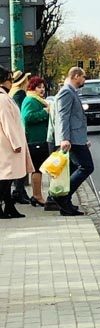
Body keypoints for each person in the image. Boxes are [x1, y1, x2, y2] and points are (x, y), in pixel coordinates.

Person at [53, 66, 92, 216]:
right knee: (86, 166)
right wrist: (64, 138)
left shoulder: (71, 91)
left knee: (80, 167)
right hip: (71, 139)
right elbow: (63, 116)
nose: (84, 80)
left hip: (76, 138)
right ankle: (62, 197)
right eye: (83, 77)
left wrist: (83, 139)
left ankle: (65, 201)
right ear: (76, 76)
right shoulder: (66, 92)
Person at [0, 67, 33, 219]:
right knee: (6, 178)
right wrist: (16, 143)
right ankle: (7, 207)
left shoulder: (4, 97)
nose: (11, 82)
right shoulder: (2, 98)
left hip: (7, 143)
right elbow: (7, 123)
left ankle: (9, 207)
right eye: (10, 79)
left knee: (7, 179)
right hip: (7, 145)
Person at [20, 76, 51, 208]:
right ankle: (37, 196)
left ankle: (37, 195)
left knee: (39, 168)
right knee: (37, 168)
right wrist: (44, 112)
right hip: (35, 139)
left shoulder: (38, 100)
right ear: (32, 88)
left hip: (40, 138)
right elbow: (27, 118)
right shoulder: (30, 100)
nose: (42, 90)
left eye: (43, 87)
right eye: (39, 87)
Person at [7, 70, 32, 205]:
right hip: (19, 135)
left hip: (16, 135)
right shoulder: (20, 94)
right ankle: (18, 191)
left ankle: (20, 191)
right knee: (20, 165)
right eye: (27, 79)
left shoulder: (11, 93)